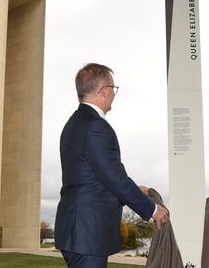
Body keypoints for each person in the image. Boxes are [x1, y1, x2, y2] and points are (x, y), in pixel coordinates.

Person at [54, 63, 169, 268]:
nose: (114, 94)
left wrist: (136, 190)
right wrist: (152, 210)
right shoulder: (96, 126)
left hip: (77, 230)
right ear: (104, 91)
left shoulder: (74, 123)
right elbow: (114, 178)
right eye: (114, 89)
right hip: (88, 233)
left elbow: (98, 175)